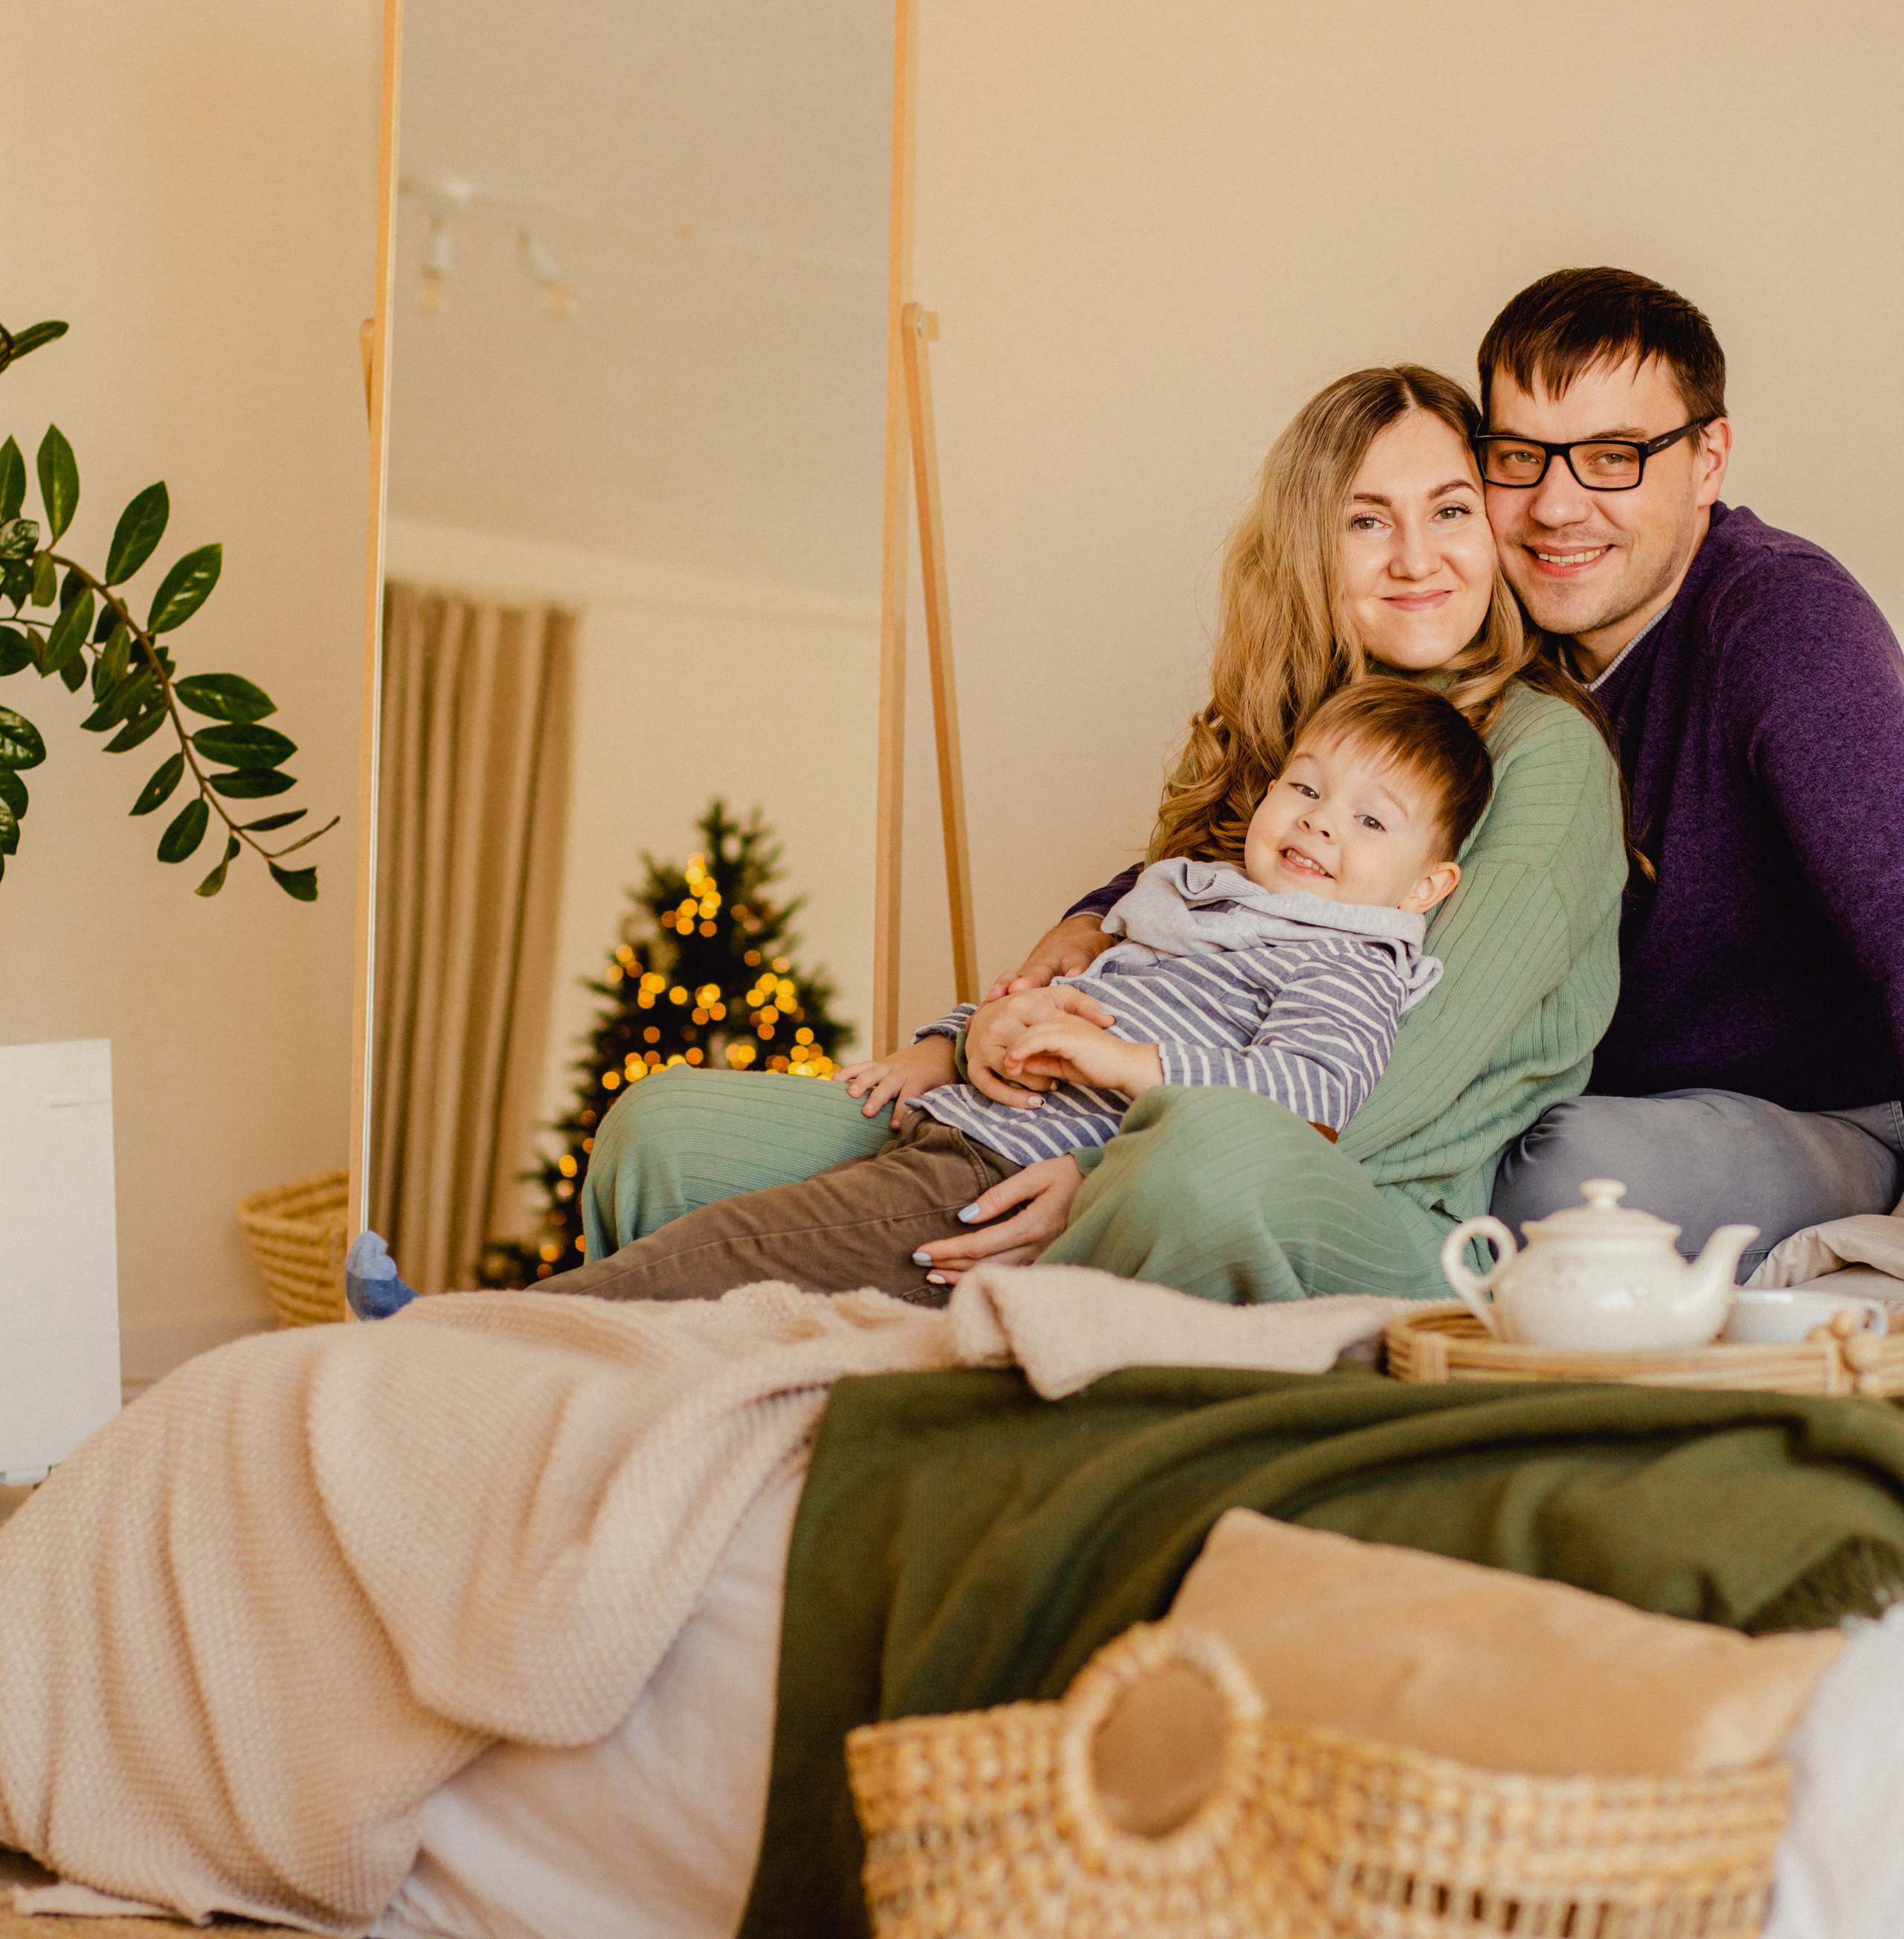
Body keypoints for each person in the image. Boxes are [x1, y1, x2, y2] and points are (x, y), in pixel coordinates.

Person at [569, 364, 1627, 1305]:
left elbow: (1396, 1080)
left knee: (1201, 1160)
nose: (1415, 558)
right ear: (1314, 545)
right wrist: (995, 1026)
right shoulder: (1282, 741)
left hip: (1365, 1199)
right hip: (1080, 1120)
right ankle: (634, 1406)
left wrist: (1104, 1181)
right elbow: (1147, 949)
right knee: (668, 1130)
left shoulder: (1546, 755)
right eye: (1365, 522)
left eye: (1449, 511)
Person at [515, 679, 1486, 1306]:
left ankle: (488, 1333)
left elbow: (1310, 1096)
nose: (1320, 826)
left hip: (988, 1181)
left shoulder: (1348, 962)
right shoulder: (1200, 902)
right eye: (1306, 791)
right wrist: (947, 1040)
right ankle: (513, 1339)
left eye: (1369, 819)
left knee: (738, 1249)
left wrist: (1120, 1063)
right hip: (957, 1124)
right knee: (733, 1231)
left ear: (1425, 887)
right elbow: (1054, 993)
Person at [1476, 269, 1904, 1270]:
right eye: (1518, 458)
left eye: (1613, 457)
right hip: (1576, 1100)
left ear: (1706, 459)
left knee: (1560, 1179)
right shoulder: (1477, 622)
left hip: (1829, 1116)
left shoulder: (1778, 620)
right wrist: (1099, 918)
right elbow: (1303, 804)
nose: (1556, 507)